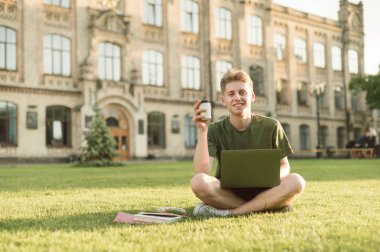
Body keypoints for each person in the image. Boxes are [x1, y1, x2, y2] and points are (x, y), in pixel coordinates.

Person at [191, 68, 305, 216]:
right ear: (223, 100)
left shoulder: (272, 126)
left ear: (252, 96)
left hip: (267, 189)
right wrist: (202, 131)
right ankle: (269, 205)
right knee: (198, 182)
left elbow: (284, 165)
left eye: (242, 92)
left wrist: (269, 177)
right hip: (228, 193)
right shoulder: (213, 129)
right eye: (231, 94)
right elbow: (202, 172)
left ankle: (233, 212)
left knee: (297, 181)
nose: (237, 98)